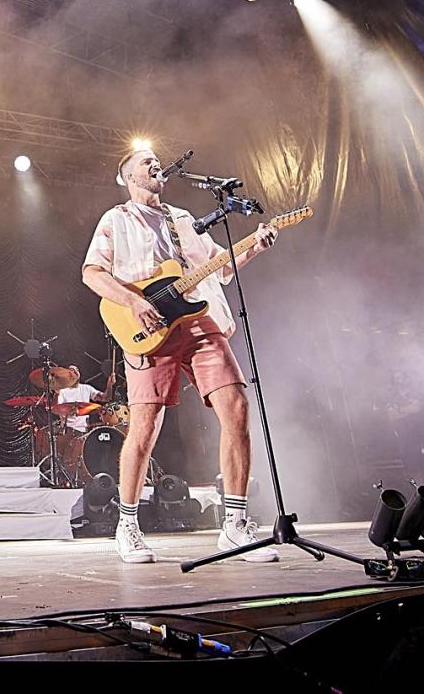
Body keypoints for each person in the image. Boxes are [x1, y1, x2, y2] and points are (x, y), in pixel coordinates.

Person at [81, 147, 279, 564]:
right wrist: (133, 303)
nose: (156, 165)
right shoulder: (116, 219)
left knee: (237, 407)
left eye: (157, 161)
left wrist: (255, 246)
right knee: (145, 428)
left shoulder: (184, 219)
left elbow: (219, 269)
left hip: (199, 320)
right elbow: (92, 272)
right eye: (145, 162)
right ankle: (128, 525)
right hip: (148, 329)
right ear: (129, 177)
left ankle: (235, 525)